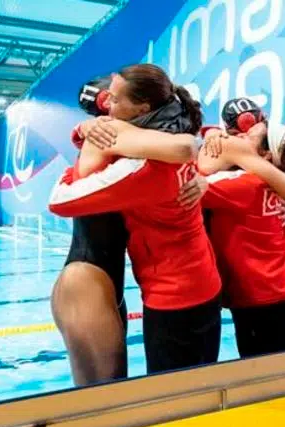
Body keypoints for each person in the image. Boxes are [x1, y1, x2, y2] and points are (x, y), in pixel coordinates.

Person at [49, 63, 222, 375]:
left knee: (122, 398)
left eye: (116, 101)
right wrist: (87, 131)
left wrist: (201, 179)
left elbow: (186, 147)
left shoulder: (142, 156)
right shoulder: (129, 148)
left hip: (164, 292)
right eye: (108, 102)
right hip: (87, 281)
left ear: (140, 110)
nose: (111, 109)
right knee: (105, 401)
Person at [199, 121, 285, 356]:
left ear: (265, 154)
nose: (238, 136)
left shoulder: (242, 184)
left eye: (248, 136)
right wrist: (213, 134)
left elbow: (185, 184)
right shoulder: (270, 179)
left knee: (262, 373)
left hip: (259, 294)